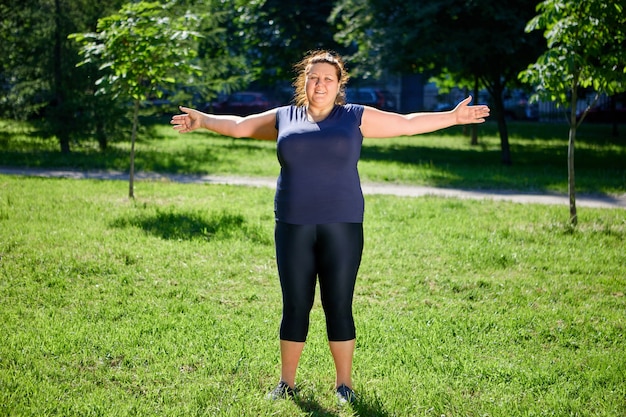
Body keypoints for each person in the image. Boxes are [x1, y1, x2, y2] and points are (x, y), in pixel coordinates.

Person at [171, 50, 490, 405]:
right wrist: (202, 120)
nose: (319, 84)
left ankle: (344, 385)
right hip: (292, 224)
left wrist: (452, 117)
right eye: (313, 77)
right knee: (295, 304)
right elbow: (238, 126)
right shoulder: (284, 117)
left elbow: (408, 122)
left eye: (327, 79)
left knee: (338, 303)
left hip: (343, 224)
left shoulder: (354, 117)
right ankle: (286, 383)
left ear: (339, 85)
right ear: (303, 81)